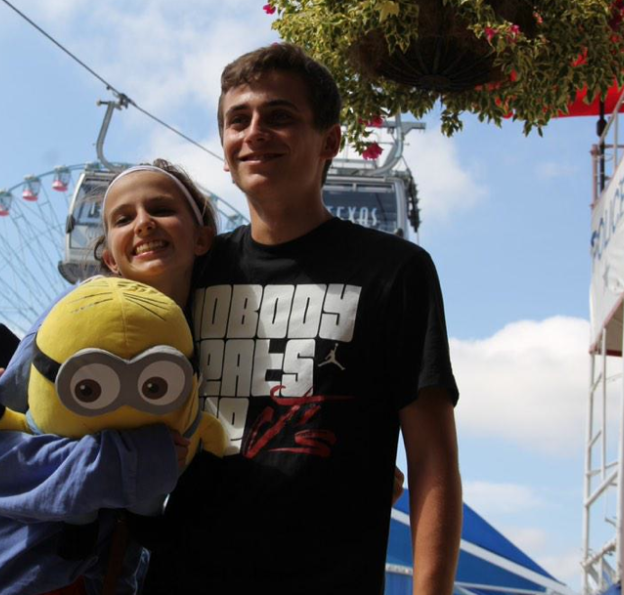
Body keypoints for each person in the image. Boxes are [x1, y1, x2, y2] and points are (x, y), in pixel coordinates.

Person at [140, 44, 462, 595]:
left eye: (279, 117)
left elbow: (433, 458)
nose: (255, 132)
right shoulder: (194, 270)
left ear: (330, 143)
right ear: (224, 149)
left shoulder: (396, 271)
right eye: (238, 120)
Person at [0, 160, 217, 595]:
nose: (144, 223)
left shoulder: (207, 339)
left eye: (160, 208)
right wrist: (128, 461)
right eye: (123, 218)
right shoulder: (72, 319)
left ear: (203, 237)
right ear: (109, 256)